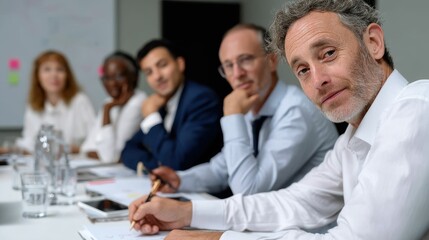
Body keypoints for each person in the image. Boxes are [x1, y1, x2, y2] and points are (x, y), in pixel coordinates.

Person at [128, 0, 429, 239]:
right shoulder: (351, 139)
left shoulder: (415, 111)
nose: (317, 80)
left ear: (374, 42)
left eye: (327, 53)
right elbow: (294, 202)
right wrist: (187, 212)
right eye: (302, 70)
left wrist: (214, 239)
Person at [149, 23, 338, 198]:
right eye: (229, 66)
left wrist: (233, 116)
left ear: (272, 60)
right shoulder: (251, 107)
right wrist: (180, 180)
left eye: (245, 60)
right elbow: (221, 169)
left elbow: (248, 190)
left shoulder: (296, 111)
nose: (237, 74)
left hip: (311, 231)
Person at [121, 39, 223, 171]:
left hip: (201, 189)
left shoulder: (201, 100)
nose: (157, 76)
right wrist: (158, 165)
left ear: (180, 64)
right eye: (149, 72)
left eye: (162, 65)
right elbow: (128, 151)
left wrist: (151, 117)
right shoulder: (161, 101)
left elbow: (176, 162)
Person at [16, 50, 95, 154]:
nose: (54, 75)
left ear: (67, 75)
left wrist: (72, 149)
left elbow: (95, 141)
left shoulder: (80, 101)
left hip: (77, 163)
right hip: (46, 165)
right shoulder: (33, 105)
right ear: (37, 76)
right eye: (47, 69)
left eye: (60, 69)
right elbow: (29, 142)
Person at [80, 51, 147, 163]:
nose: (112, 84)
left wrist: (107, 109)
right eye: (107, 78)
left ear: (134, 77)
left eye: (119, 77)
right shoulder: (110, 101)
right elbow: (86, 148)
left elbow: (110, 157)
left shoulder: (138, 102)